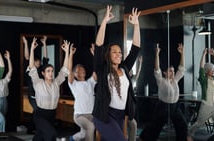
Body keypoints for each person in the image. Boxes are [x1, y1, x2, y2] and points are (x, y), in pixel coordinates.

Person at [92, 5, 141, 141]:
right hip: (104, 115)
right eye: (115, 52)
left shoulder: (124, 68)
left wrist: (136, 25)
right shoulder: (102, 69)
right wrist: (104, 22)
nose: (118, 54)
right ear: (108, 55)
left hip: (120, 115)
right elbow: (98, 46)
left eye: (120, 52)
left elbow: (136, 48)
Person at [139, 43, 188, 141]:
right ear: (165, 72)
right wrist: (157, 54)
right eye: (170, 71)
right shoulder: (161, 81)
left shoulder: (175, 80)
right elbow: (157, 69)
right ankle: (143, 138)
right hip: (163, 107)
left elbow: (181, 68)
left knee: (182, 125)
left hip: (175, 106)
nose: (173, 73)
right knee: (155, 127)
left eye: (173, 71)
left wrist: (182, 53)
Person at [28, 39, 70, 141]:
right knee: (51, 134)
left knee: (40, 137)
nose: (51, 73)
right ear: (43, 73)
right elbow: (32, 67)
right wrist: (32, 49)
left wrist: (67, 52)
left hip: (51, 114)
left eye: (52, 71)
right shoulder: (38, 82)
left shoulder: (56, 82)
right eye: (48, 71)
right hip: (40, 114)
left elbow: (64, 69)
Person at [188, 48, 214, 140]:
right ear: (207, 71)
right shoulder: (203, 80)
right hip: (206, 105)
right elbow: (201, 68)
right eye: (212, 69)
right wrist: (203, 55)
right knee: (199, 123)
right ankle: (189, 134)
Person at [68, 44, 97, 141]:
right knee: (91, 127)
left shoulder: (90, 82)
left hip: (90, 114)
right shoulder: (74, 84)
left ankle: (72, 139)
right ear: (75, 74)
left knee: (83, 134)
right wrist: (71, 54)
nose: (82, 70)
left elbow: (96, 70)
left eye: (83, 69)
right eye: (79, 70)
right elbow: (69, 70)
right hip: (79, 115)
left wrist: (94, 55)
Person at [22, 35, 49, 112]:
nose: (39, 63)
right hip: (33, 95)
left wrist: (44, 44)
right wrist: (26, 43)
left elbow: (45, 59)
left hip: (42, 95)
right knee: (38, 111)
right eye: (37, 61)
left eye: (39, 62)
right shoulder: (29, 70)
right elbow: (27, 57)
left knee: (41, 112)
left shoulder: (41, 70)